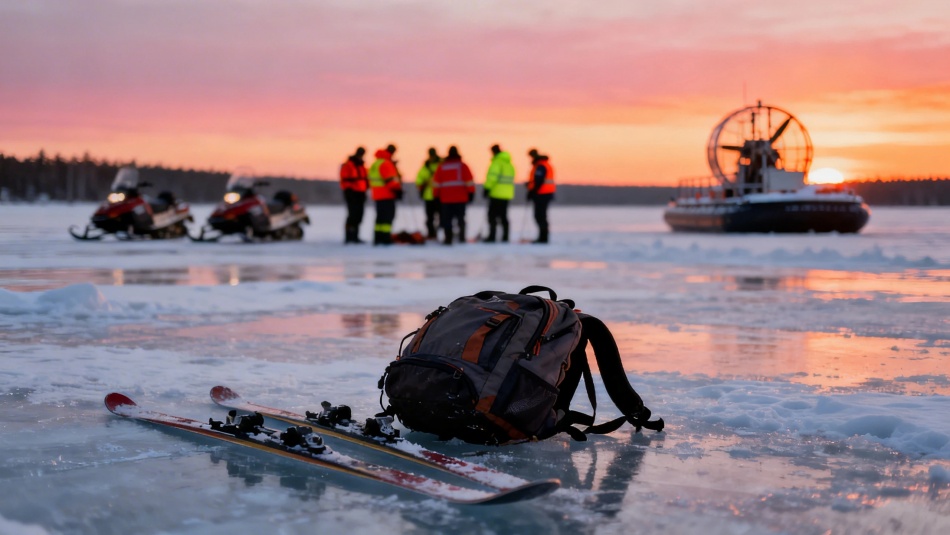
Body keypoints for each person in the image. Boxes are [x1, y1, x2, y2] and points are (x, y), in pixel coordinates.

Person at [432, 146, 475, 245]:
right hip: (461, 198)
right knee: (461, 219)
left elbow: (436, 184)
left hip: (446, 199)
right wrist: (471, 193)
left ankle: (448, 239)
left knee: (447, 220)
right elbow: (469, 182)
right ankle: (462, 238)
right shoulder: (462, 166)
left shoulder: (442, 167)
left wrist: (436, 196)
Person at [368, 144, 403, 245]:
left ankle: (378, 237)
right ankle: (385, 238)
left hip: (377, 195)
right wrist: (398, 190)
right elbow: (390, 180)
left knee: (380, 218)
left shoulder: (376, 163)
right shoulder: (386, 163)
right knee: (387, 217)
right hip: (387, 195)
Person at [482, 144, 516, 242]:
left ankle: (492, 236)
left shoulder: (497, 162)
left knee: (492, 216)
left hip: (496, 193)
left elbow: (492, 177)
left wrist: (487, 188)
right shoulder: (509, 164)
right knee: (503, 216)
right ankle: (505, 237)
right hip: (507, 194)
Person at [339, 147, 368, 244]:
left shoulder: (361, 166)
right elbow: (345, 179)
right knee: (352, 215)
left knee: (359, 215)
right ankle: (349, 237)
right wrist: (349, 191)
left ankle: (355, 236)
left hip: (361, 193)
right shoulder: (349, 165)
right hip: (352, 193)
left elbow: (365, 179)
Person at [526, 148, 555, 244]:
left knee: (540, 216)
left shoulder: (540, 165)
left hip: (542, 194)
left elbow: (539, 181)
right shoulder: (543, 164)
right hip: (544, 193)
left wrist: (532, 191)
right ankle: (543, 237)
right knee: (541, 216)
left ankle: (543, 238)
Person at [415, 148, 442, 240]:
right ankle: (432, 233)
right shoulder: (426, 166)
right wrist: (422, 184)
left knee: (442, 217)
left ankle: (440, 233)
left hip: (439, 196)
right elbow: (418, 180)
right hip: (430, 196)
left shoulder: (440, 164)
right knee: (430, 218)